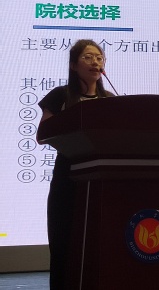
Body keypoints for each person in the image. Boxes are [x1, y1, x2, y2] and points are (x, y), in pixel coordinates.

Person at [37, 39, 115, 290]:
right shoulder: (61, 96)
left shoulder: (109, 99)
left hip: (101, 180)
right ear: (73, 65)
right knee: (64, 243)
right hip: (68, 178)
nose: (95, 62)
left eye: (99, 58)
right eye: (88, 57)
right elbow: (43, 135)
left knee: (98, 244)